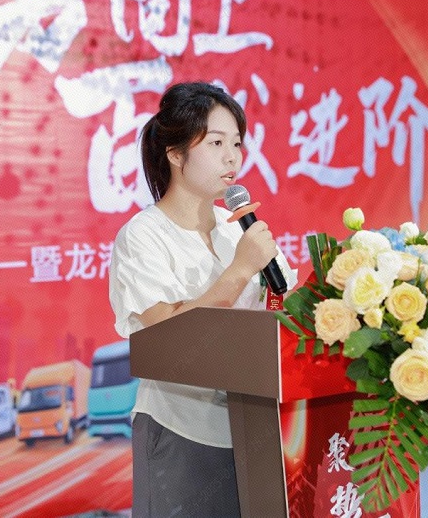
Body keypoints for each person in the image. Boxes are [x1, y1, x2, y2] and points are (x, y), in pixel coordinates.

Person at [108, 81, 297, 517]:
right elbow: (166, 335)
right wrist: (239, 271)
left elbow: (285, 312)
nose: (232, 157)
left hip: (258, 429)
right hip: (182, 431)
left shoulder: (239, 229)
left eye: (237, 143)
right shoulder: (143, 236)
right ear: (176, 154)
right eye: (216, 143)